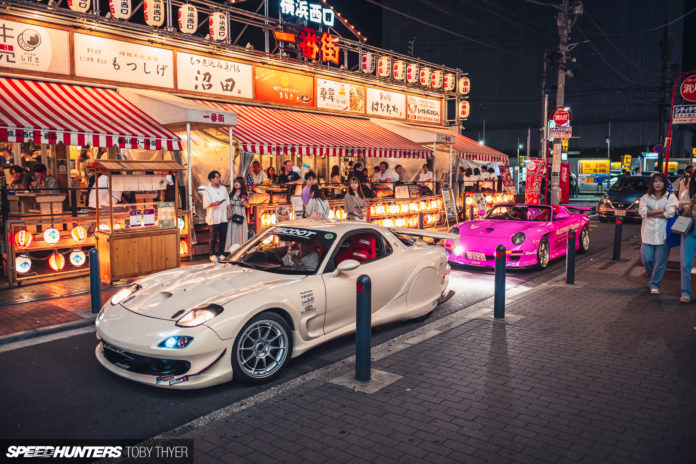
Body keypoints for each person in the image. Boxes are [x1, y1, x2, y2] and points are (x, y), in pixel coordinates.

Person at [639, 173, 678, 296]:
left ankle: (654, 284)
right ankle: (653, 277)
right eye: (655, 181)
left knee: (660, 262)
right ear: (652, 183)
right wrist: (661, 210)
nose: (658, 184)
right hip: (647, 235)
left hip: (663, 235)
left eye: (660, 181)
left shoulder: (670, 197)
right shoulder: (646, 197)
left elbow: (671, 213)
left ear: (665, 183)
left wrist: (651, 212)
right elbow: (643, 212)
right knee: (647, 259)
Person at [202, 170, 231, 262]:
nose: (219, 179)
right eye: (217, 177)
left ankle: (221, 253)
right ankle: (212, 254)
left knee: (223, 235)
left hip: (223, 215)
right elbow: (206, 204)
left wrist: (230, 210)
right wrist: (215, 203)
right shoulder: (208, 190)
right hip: (213, 216)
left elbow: (227, 200)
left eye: (219, 177)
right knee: (213, 236)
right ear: (212, 179)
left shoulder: (223, 188)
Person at [225, 176, 250, 252]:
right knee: (232, 231)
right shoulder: (230, 193)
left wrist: (244, 202)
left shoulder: (245, 194)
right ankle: (230, 250)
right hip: (232, 213)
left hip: (241, 213)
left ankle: (241, 250)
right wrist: (229, 212)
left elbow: (248, 205)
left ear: (242, 184)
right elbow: (227, 203)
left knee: (241, 232)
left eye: (238, 182)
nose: (236, 184)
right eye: (235, 182)